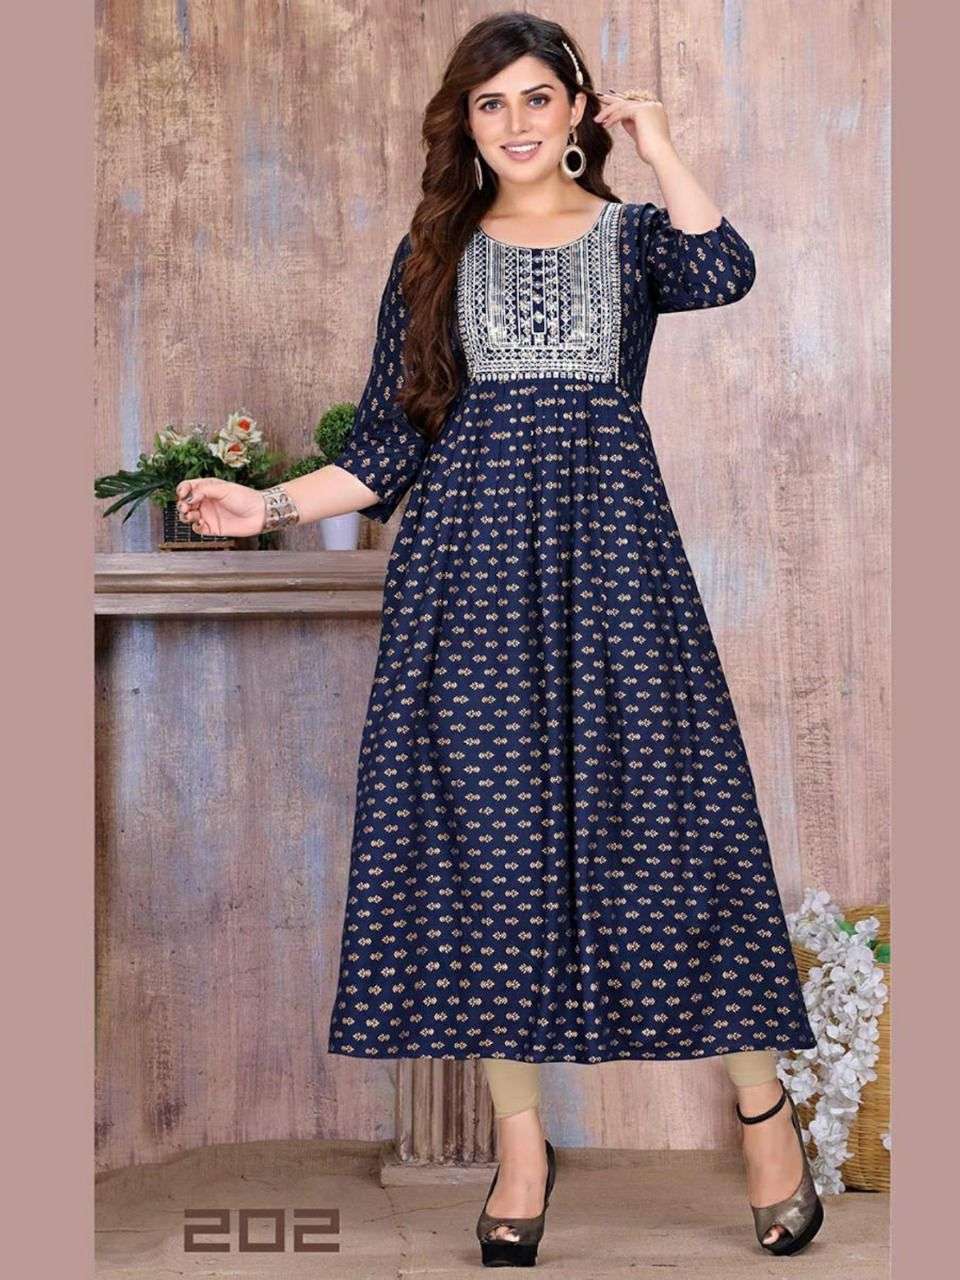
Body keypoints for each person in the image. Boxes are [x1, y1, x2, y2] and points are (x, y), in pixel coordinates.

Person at [175, 10, 825, 1266]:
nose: (516, 123)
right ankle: (521, 1149)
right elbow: (389, 442)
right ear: (464, 124)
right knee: (487, 849)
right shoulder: (435, 251)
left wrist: (661, 143)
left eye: (537, 97)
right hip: (466, 585)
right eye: (491, 104)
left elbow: (726, 267)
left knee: (683, 827)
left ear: (577, 109)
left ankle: (764, 1116)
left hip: (617, 572)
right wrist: (265, 506)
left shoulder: (635, 236)